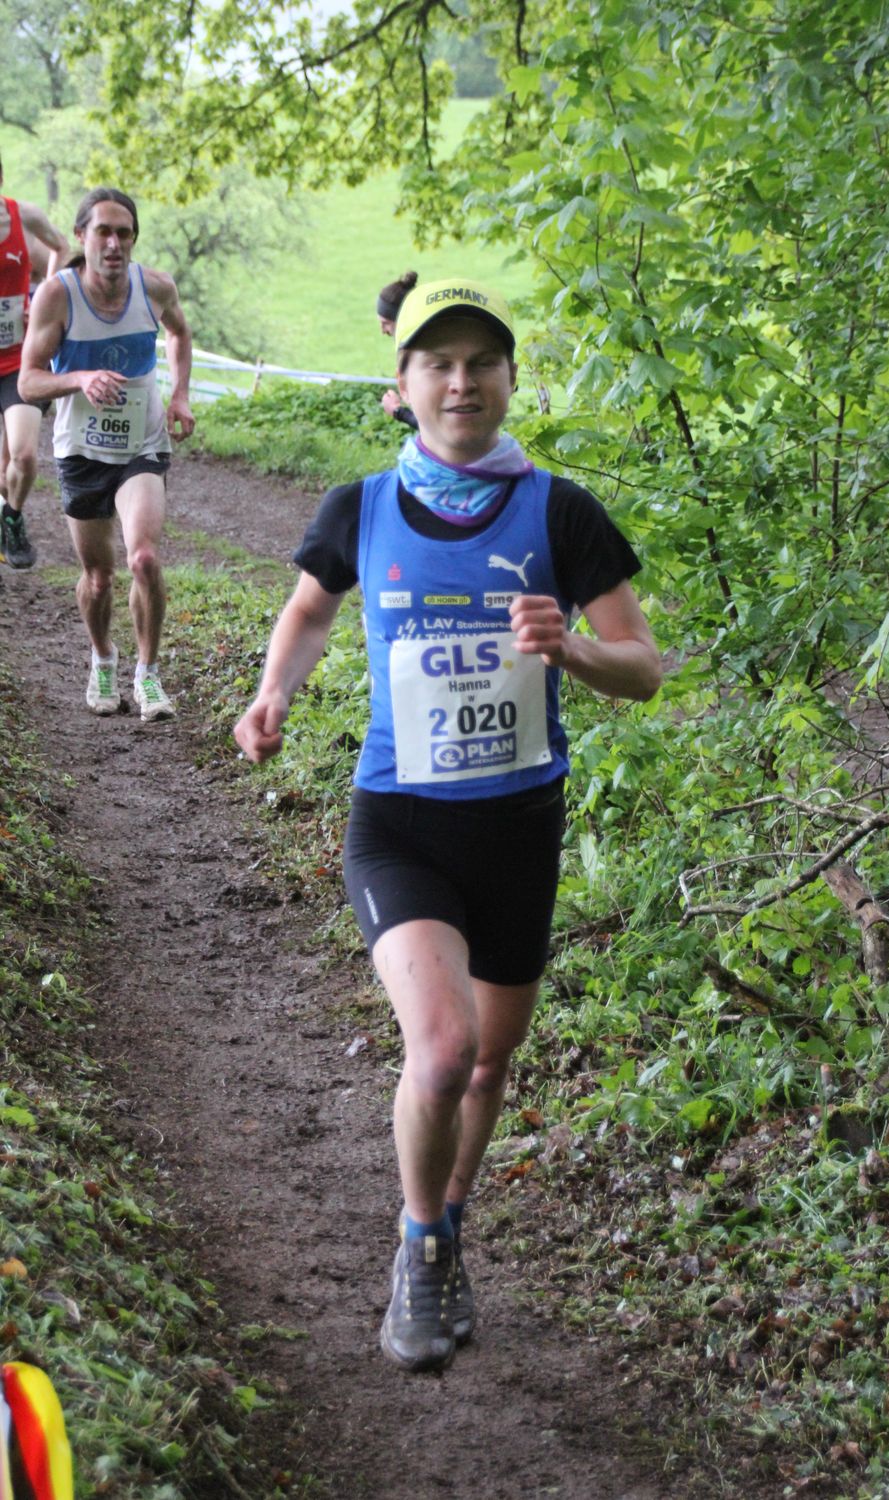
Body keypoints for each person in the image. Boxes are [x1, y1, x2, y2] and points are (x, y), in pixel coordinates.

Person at [235, 276, 662, 1375]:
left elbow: (645, 667)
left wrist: (571, 647)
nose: (461, 382)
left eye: (481, 363)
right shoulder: (361, 507)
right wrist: (274, 693)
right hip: (401, 825)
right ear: (404, 384)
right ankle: (420, 1244)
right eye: (439, 363)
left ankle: (452, 1217)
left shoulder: (561, 513)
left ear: (510, 381)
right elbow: (309, 608)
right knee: (442, 1049)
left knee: (488, 1064)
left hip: (519, 829)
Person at [18, 186, 194, 721]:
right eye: (103, 232)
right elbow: (28, 382)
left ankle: (148, 674)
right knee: (98, 577)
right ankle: (102, 658)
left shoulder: (155, 287)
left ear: (134, 238)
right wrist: (80, 378)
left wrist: (180, 394)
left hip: (142, 444)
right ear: (81, 236)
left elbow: (179, 333)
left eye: (124, 233)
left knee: (145, 559)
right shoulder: (58, 296)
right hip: (82, 450)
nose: (114, 243)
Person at [0, 155, 69, 570]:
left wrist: (41, 299)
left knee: (23, 458)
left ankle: (12, 517)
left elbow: (61, 248)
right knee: (2, 468)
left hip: (18, 364)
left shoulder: (23, 217)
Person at [375, 270, 418, 430]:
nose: (382, 331)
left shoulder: (422, 357)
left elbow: (436, 428)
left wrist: (398, 411)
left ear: (402, 321)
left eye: (385, 323)